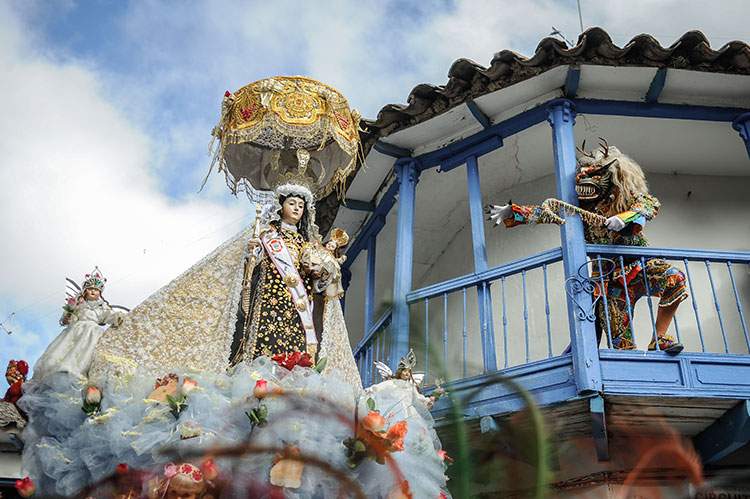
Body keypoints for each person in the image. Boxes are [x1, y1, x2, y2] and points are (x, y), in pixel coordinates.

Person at [487, 141, 686, 354]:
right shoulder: (581, 212)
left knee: (675, 279)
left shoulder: (627, 199)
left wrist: (624, 218)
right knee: (622, 345)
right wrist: (514, 212)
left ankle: (660, 337)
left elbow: (647, 206)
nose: (586, 180)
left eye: (596, 175)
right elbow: (548, 212)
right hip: (610, 282)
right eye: (583, 175)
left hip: (640, 267)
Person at [32, 268, 126, 382]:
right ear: (85, 291)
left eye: (96, 290)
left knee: (88, 351)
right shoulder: (79, 304)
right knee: (70, 348)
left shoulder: (102, 307)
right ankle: (65, 368)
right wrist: (69, 313)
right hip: (77, 329)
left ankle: (82, 371)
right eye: (90, 289)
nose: (93, 291)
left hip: (93, 332)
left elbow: (109, 315)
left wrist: (117, 317)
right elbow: (68, 318)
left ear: (100, 293)